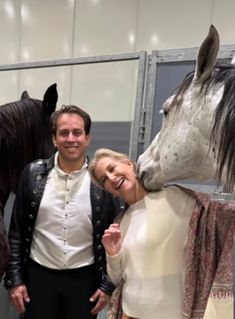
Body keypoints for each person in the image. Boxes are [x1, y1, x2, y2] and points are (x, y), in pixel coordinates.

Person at [4, 106, 123, 319]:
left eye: (77, 132)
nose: (71, 139)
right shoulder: (32, 175)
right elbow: (17, 233)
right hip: (38, 279)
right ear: (54, 139)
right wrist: (14, 279)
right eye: (64, 133)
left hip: (85, 282)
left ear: (87, 138)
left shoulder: (102, 182)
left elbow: (117, 235)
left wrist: (107, 284)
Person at [88, 148, 235, 319]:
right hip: (129, 313)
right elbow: (116, 277)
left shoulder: (176, 198)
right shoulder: (121, 223)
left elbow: (223, 218)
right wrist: (113, 253)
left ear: (129, 164)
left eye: (112, 169)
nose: (111, 178)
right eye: (104, 179)